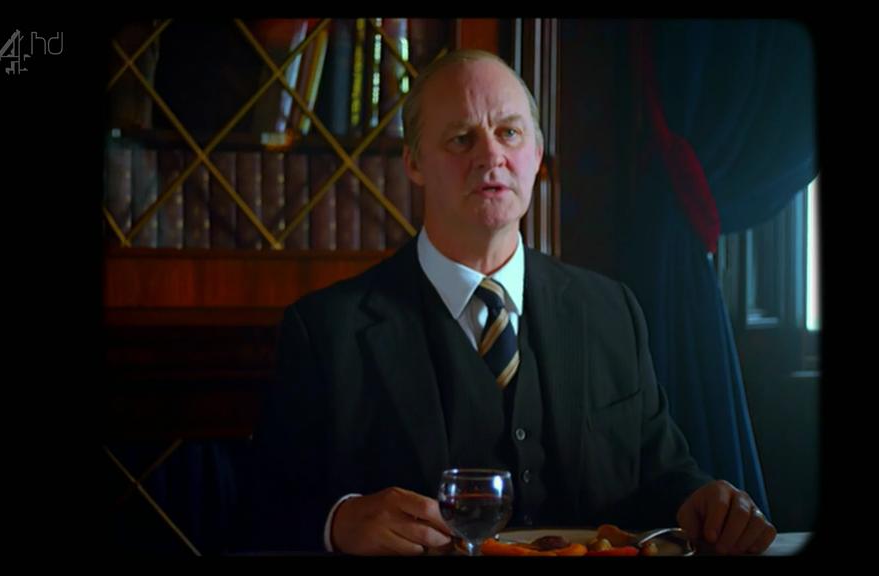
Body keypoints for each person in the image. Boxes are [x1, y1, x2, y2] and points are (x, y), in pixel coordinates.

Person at [250, 49, 776, 556]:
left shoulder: (612, 311)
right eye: (461, 138)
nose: (490, 156)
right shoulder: (326, 331)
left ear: (537, 154)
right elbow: (261, 508)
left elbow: (664, 474)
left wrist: (707, 502)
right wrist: (339, 522)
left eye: (509, 132)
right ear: (413, 162)